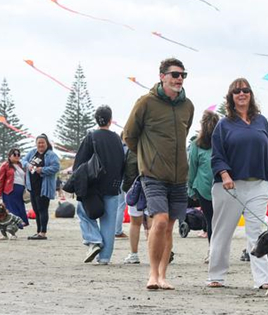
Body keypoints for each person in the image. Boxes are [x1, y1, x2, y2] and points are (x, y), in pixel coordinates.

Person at [124, 58, 195, 290]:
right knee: (160, 221)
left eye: (183, 75)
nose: (179, 79)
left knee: (169, 225)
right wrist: (147, 157)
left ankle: (163, 275)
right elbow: (129, 136)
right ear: (162, 76)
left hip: (179, 176)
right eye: (175, 74)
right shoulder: (145, 102)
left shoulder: (188, 106)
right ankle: (152, 275)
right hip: (153, 174)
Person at [207, 78, 268, 289]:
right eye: (237, 91)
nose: (242, 94)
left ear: (251, 94)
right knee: (223, 231)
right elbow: (217, 155)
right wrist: (224, 175)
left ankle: (262, 280)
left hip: (258, 183)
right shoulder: (223, 124)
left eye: (246, 90)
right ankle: (216, 275)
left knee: (256, 233)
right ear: (230, 97)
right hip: (230, 186)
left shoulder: (261, 121)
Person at [75, 105, 125, 265]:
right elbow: (122, 163)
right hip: (113, 185)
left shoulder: (91, 137)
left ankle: (94, 240)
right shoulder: (117, 139)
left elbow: (80, 163)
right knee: (109, 221)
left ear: (96, 119)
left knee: (83, 211)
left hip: (93, 185)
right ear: (111, 120)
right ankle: (104, 258)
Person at [188, 110, 219, 250]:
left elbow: (192, 168)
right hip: (222, 186)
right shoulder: (222, 143)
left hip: (202, 187)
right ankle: (216, 250)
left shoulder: (196, 144)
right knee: (219, 222)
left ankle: (212, 250)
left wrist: (190, 188)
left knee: (210, 220)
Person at [23, 133, 61, 240]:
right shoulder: (32, 153)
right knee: (36, 209)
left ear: (46, 143)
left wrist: (42, 170)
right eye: (38, 142)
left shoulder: (51, 155)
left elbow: (56, 167)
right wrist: (28, 165)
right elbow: (23, 161)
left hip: (44, 187)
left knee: (42, 209)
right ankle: (38, 231)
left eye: (42, 142)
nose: (40, 145)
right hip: (32, 187)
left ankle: (43, 232)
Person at [0, 148, 29, 226]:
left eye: (18, 154)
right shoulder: (5, 165)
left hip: (20, 191)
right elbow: (0, 180)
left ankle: (21, 222)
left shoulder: (21, 165)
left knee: (20, 208)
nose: (17, 156)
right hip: (10, 190)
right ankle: (15, 224)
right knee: (12, 209)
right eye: (14, 154)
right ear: (9, 156)